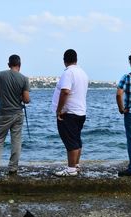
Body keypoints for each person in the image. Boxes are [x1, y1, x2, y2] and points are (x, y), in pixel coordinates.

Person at [0, 54, 30, 176]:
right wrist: (21, 97)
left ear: (8, 64)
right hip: (17, 114)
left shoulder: (0, 75)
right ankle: (13, 168)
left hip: (3, 113)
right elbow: (26, 100)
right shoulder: (24, 79)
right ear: (20, 65)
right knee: (16, 140)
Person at [52, 49, 89, 177]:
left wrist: (59, 110)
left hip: (69, 112)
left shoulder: (68, 73)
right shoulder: (83, 73)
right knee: (76, 139)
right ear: (76, 59)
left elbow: (65, 91)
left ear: (64, 60)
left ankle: (71, 169)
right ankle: (76, 165)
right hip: (80, 111)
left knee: (70, 141)